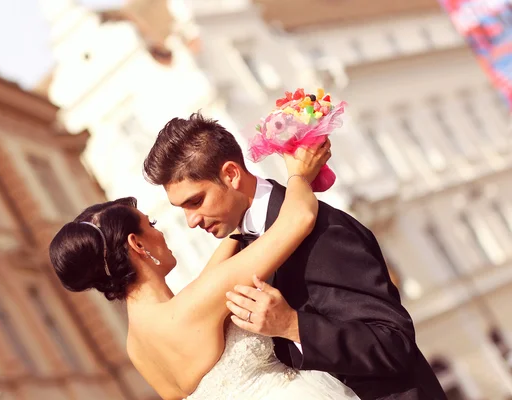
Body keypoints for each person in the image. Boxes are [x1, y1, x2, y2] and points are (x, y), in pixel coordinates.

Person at [142, 112, 447, 400]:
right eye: (182, 208)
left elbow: (394, 344)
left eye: (195, 201)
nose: (191, 221)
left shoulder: (324, 231)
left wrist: (291, 325)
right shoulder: (243, 250)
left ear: (231, 174)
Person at [50, 140, 359, 399]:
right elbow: (299, 219)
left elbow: (225, 258)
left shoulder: (137, 347)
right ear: (138, 245)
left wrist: (232, 207)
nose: (163, 233)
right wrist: (299, 173)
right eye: (151, 224)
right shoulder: (195, 305)